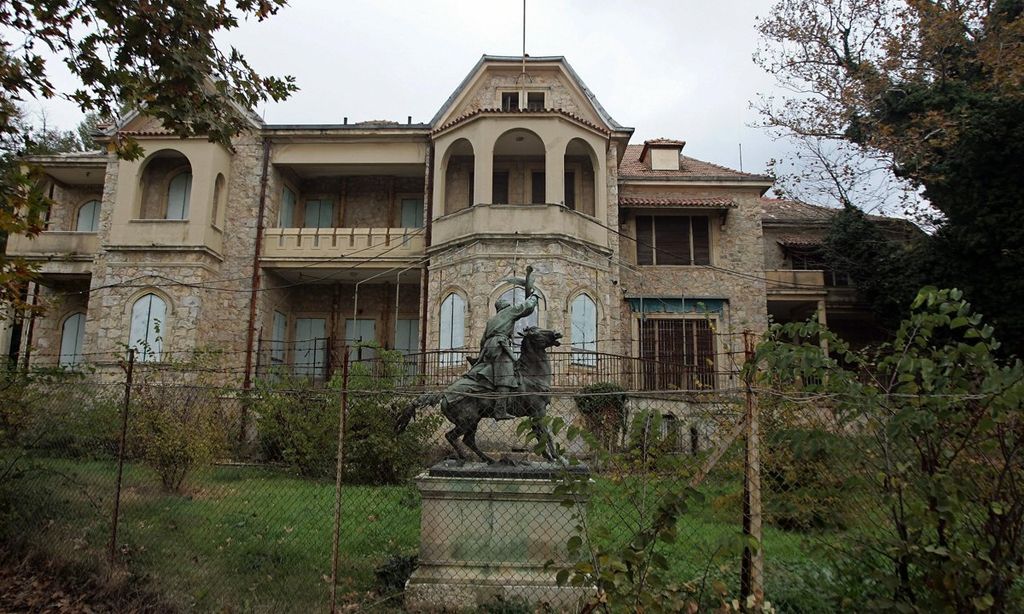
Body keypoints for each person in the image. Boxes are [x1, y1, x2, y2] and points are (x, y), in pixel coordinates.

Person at [466, 267, 538, 420]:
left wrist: (481, 356)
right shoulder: (508, 312)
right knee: (505, 375)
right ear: (505, 307)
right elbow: (527, 307)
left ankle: (478, 371)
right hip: (500, 345)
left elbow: (482, 340)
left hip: (489, 348)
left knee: (489, 369)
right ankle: (500, 410)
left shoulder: (492, 320)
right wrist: (534, 296)